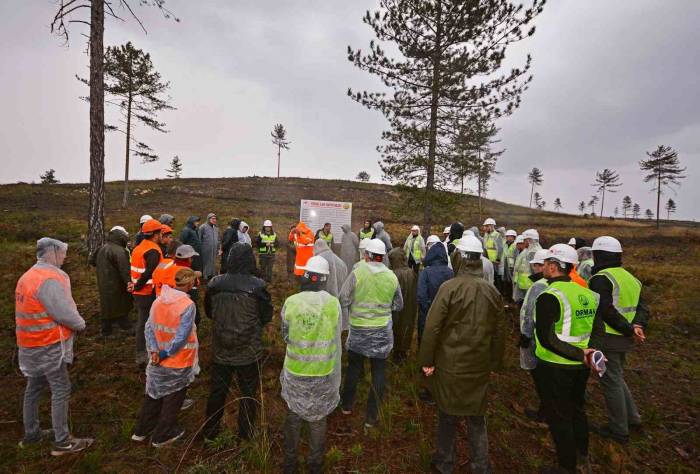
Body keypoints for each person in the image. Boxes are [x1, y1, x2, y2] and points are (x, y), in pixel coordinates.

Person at [418, 232, 505, 474]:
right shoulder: (492, 292)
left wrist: (426, 361)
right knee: (477, 417)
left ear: (460, 258)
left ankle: (444, 463)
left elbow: (432, 328)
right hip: (479, 367)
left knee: (447, 415)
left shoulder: (449, 288)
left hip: (450, 366)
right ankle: (480, 465)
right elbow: (500, 334)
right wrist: (495, 364)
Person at [16, 238, 93, 455]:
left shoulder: (28, 275)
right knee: (60, 388)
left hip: (29, 344)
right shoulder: (49, 279)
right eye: (62, 253)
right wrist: (80, 324)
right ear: (51, 252)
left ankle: (32, 434)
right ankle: (63, 442)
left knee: (33, 387)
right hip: (47, 344)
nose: (65, 257)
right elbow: (62, 312)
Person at [534, 244, 600, 473]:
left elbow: (546, 338)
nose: (542, 267)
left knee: (559, 418)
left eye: (545, 264)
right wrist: (588, 353)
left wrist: (579, 353)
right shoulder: (587, 294)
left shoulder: (549, 296)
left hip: (555, 367)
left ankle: (566, 466)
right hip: (580, 367)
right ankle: (582, 455)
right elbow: (596, 329)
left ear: (553, 267)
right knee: (577, 410)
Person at [203, 243, 273, 440]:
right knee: (248, 392)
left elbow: (209, 312)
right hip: (249, 349)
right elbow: (266, 315)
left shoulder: (215, 284)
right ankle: (246, 433)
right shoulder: (258, 286)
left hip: (221, 348)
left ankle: (210, 432)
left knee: (218, 390)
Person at [280, 256, 342, 474]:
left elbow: (285, 335)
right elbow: (336, 337)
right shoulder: (333, 304)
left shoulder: (291, 302)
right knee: (318, 419)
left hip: (295, 372)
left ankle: (290, 464)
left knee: (294, 416)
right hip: (322, 373)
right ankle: (315, 465)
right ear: (324, 279)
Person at [588, 236, 649, 444]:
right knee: (617, 376)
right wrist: (637, 326)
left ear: (599, 255)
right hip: (625, 338)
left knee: (609, 381)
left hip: (608, 338)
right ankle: (633, 419)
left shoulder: (601, 278)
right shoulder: (631, 278)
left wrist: (629, 329)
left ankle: (618, 430)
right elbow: (642, 308)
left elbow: (605, 311)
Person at [132, 268, 199, 448]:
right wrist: (164, 353)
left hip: (156, 360)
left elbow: (148, 327)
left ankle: (141, 430)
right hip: (178, 360)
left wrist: (154, 351)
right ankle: (163, 434)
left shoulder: (159, 300)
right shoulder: (187, 305)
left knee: (154, 394)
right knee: (174, 397)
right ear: (190, 284)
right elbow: (182, 336)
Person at [339, 239, 403, 428]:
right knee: (379, 372)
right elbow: (399, 305)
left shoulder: (357, 273)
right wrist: (382, 308)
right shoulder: (392, 277)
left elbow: (343, 298)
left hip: (359, 331)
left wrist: (355, 306)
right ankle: (371, 417)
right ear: (382, 257)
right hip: (382, 332)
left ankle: (347, 405)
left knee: (354, 369)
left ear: (366, 255)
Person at [518, 248, 549, 421]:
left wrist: (525, 335)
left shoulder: (539, 286)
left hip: (537, 338)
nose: (534, 269)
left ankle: (545, 411)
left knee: (541, 376)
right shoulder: (550, 283)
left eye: (536, 265)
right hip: (547, 338)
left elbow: (530, 313)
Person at [131, 219, 164, 366]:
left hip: (139, 292)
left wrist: (134, 286)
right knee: (145, 323)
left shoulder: (139, 248)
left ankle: (143, 351)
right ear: (156, 234)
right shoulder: (153, 251)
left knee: (143, 321)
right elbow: (149, 272)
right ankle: (143, 353)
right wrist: (138, 286)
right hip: (147, 293)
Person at [90, 226, 133, 336]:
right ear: (121, 237)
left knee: (106, 304)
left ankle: (106, 329)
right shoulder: (120, 251)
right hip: (116, 282)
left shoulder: (102, 247)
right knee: (121, 302)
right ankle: (123, 324)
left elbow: (91, 260)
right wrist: (129, 281)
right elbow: (125, 270)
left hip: (103, 281)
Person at [417, 242, 453, 346]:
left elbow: (421, 295)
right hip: (445, 315)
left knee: (426, 341)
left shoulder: (425, 272)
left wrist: (428, 310)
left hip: (427, 314)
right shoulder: (451, 272)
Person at [387, 248, 418, 363]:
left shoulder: (392, 274)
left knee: (396, 327)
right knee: (407, 327)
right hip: (410, 306)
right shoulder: (412, 272)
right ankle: (403, 352)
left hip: (396, 308)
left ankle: (396, 353)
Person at [513, 229, 542, 306]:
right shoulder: (529, 250)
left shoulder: (533, 252)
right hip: (525, 284)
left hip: (529, 285)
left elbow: (536, 272)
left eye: (525, 240)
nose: (524, 242)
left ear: (530, 240)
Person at [482, 218, 504, 290]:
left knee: (496, 277)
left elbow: (500, 248)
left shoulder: (497, 235)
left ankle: (498, 293)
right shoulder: (486, 235)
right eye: (485, 226)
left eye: (486, 226)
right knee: (490, 277)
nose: (484, 228)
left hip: (495, 261)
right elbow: (485, 247)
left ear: (491, 226)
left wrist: (498, 259)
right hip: (488, 260)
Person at [198, 213, 220, 281]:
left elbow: (218, 239)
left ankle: (211, 274)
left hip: (214, 248)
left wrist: (219, 247)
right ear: (208, 219)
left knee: (212, 261)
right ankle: (205, 276)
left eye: (215, 219)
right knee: (206, 261)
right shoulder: (203, 227)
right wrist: (200, 247)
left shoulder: (216, 228)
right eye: (212, 218)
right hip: (205, 248)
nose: (214, 220)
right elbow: (199, 238)